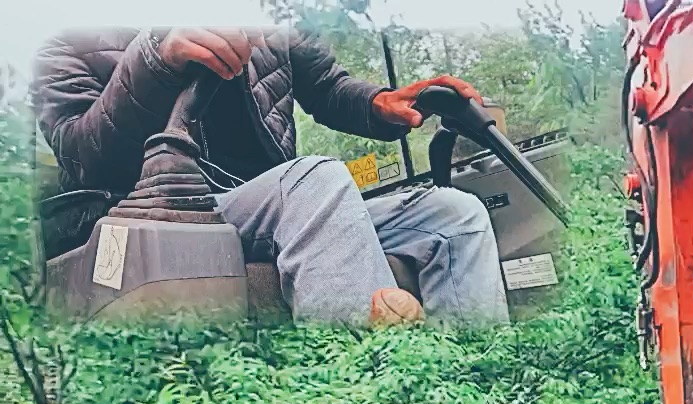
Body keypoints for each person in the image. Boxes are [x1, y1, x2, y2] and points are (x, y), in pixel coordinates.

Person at [33, 27, 511, 326]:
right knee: (317, 179)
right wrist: (156, 56)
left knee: (455, 214)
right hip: (164, 209)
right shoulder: (66, 40)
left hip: (271, 205)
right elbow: (82, 157)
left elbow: (327, 86)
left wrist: (379, 103)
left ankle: (470, 383)